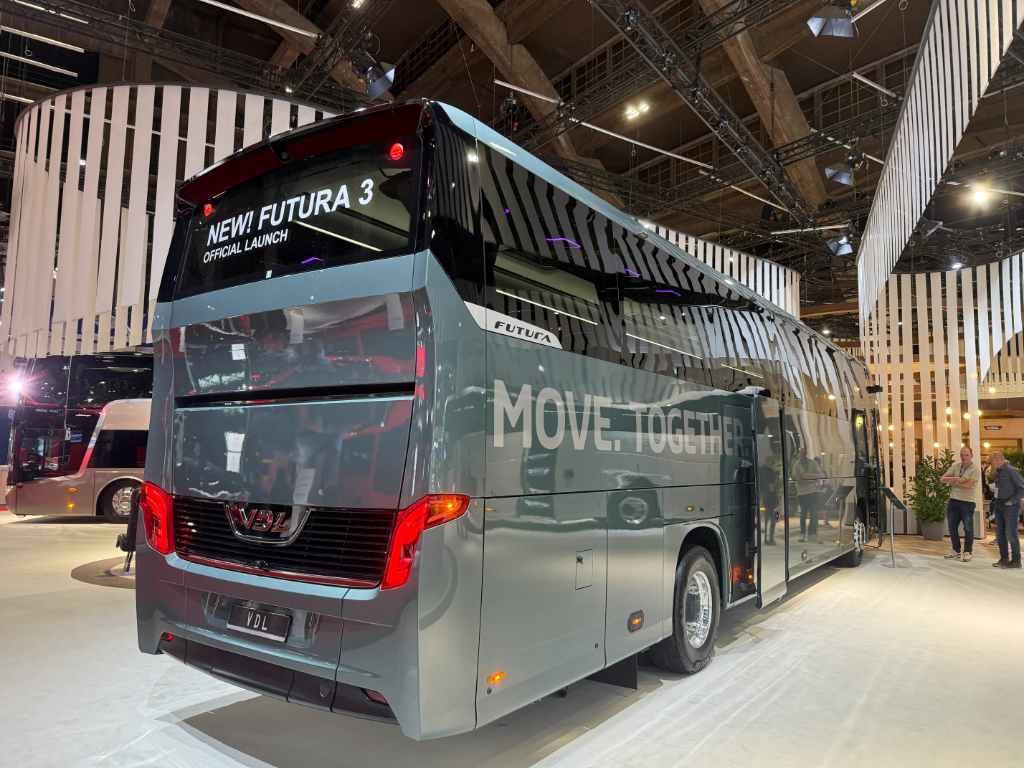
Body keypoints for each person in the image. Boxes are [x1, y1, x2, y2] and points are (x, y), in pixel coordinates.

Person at [939, 446, 981, 561]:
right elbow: (942, 479)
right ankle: (956, 550)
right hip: (953, 500)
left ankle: (967, 552)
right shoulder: (955, 467)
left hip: (967, 502)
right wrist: (957, 478)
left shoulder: (975, 470)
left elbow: (967, 486)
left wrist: (952, 482)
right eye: (962, 455)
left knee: (968, 528)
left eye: (966, 455)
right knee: (952, 528)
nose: (964, 457)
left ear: (971, 456)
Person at [987, 451, 1024, 569]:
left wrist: (1011, 501)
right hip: (999, 504)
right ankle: (1004, 559)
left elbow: (1022, 488)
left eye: (991, 460)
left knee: (1011, 533)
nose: (990, 462)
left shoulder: (1011, 471)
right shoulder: (998, 471)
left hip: (1010, 505)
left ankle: (1016, 561)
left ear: (997, 459)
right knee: (1000, 534)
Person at [792, 447, 825, 542]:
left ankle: (812, 534)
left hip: (813, 492)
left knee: (814, 514)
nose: (803, 455)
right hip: (802, 493)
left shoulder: (812, 463)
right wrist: (813, 477)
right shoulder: (796, 465)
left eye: (804, 453)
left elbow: (821, 475)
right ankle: (802, 533)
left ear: (806, 453)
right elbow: (799, 480)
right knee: (803, 514)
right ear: (799, 454)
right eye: (801, 453)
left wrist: (806, 476)